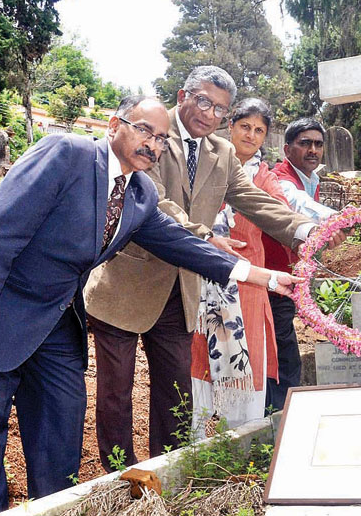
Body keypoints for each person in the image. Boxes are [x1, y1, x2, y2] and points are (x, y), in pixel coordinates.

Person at [0, 95, 300, 516]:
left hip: (56, 321)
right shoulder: (66, 154)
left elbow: (183, 245)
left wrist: (265, 277)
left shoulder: (140, 193)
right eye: (144, 130)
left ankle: (53, 508)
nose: (153, 144)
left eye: (161, 139)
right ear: (114, 125)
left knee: (61, 426)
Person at [83, 67, 338, 468]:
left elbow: (254, 199)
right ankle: (119, 477)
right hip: (127, 284)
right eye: (203, 101)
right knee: (116, 391)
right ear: (183, 95)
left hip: (182, 291)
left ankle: (167, 471)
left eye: (220, 109)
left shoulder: (222, 153)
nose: (209, 113)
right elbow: (153, 202)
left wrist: (304, 229)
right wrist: (204, 237)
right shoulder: (151, 133)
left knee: (175, 388)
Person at [189, 98, 289, 432]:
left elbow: (282, 212)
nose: (251, 135)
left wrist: (313, 227)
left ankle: (242, 439)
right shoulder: (205, 163)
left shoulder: (266, 178)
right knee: (200, 357)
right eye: (245, 126)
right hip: (203, 278)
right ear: (229, 126)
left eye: (259, 130)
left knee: (249, 359)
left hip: (249, 283)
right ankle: (197, 441)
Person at [263, 117, 337, 411]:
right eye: (304, 143)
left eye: (318, 144)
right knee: (283, 351)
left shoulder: (313, 179)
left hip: (288, 277)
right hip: (269, 276)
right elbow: (295, 204)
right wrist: (341, 218)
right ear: (287, 149)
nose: (313, 150)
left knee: (282, 346)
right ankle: (278, 416)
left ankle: (278, 412)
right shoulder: (280, 177)